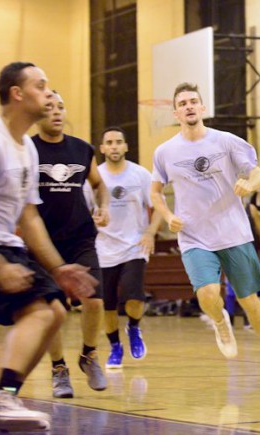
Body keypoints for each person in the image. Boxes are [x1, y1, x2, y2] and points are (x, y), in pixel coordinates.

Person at [0, 62, 96, 432]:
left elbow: (29, 217)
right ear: (17, 93)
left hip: (6, 245)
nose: (49, 93)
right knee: (40, 313)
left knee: (55, 310)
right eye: (40, 86)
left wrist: (59, 268)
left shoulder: (26, 146)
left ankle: (6, 394)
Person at [150, 82, 260, 382]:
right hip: (194, 235)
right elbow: (155, 192)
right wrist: (168, 215)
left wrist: (250, 184)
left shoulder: (226, 142)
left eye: (193, 101)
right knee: (208, 292)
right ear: (176, 112)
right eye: (182, 102)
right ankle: (220, 321)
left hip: (233, 232)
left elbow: (257, 171)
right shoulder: (165, 152)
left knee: (249, 299)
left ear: (202, 108)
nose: (188, 106)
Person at [33, 91, 110, 397]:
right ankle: (58, 368)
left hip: (80, 235)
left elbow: (99, 184)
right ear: (38, 114)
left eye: (60, 107)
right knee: (54, 309)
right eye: (48, 107)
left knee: (94, 300)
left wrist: (102, 207)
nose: (56, 112)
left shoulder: (81, 149)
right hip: (43, 243)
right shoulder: (27, 150)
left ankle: (89, 354)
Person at [96, 126, 163, 369]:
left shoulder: (141, 175)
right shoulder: (95, 176)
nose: (114, 146)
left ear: (126, 146)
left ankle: (134, 328)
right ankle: (115, 346)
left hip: (135, 246)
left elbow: (158, 207)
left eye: (118, 142)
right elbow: (83, 210)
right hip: (104, 249)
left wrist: (150, 232)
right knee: (108, 305)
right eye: (109, 142)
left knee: (134, 297)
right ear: (102, 148)